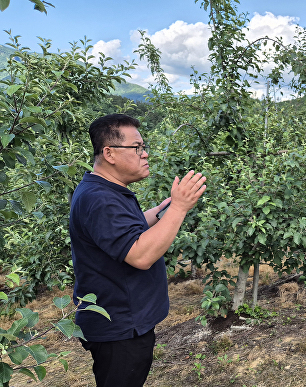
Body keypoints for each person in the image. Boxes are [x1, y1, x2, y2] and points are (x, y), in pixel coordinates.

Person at [69, 114, 207, 387]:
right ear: (109, 153)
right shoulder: (100, 199)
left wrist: (159, 213)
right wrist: (178, 208)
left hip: (123, 323)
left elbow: (118, 233)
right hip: (120, 328)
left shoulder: (104, 190)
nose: (144, 154)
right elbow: (141, 255)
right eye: (137, 148)